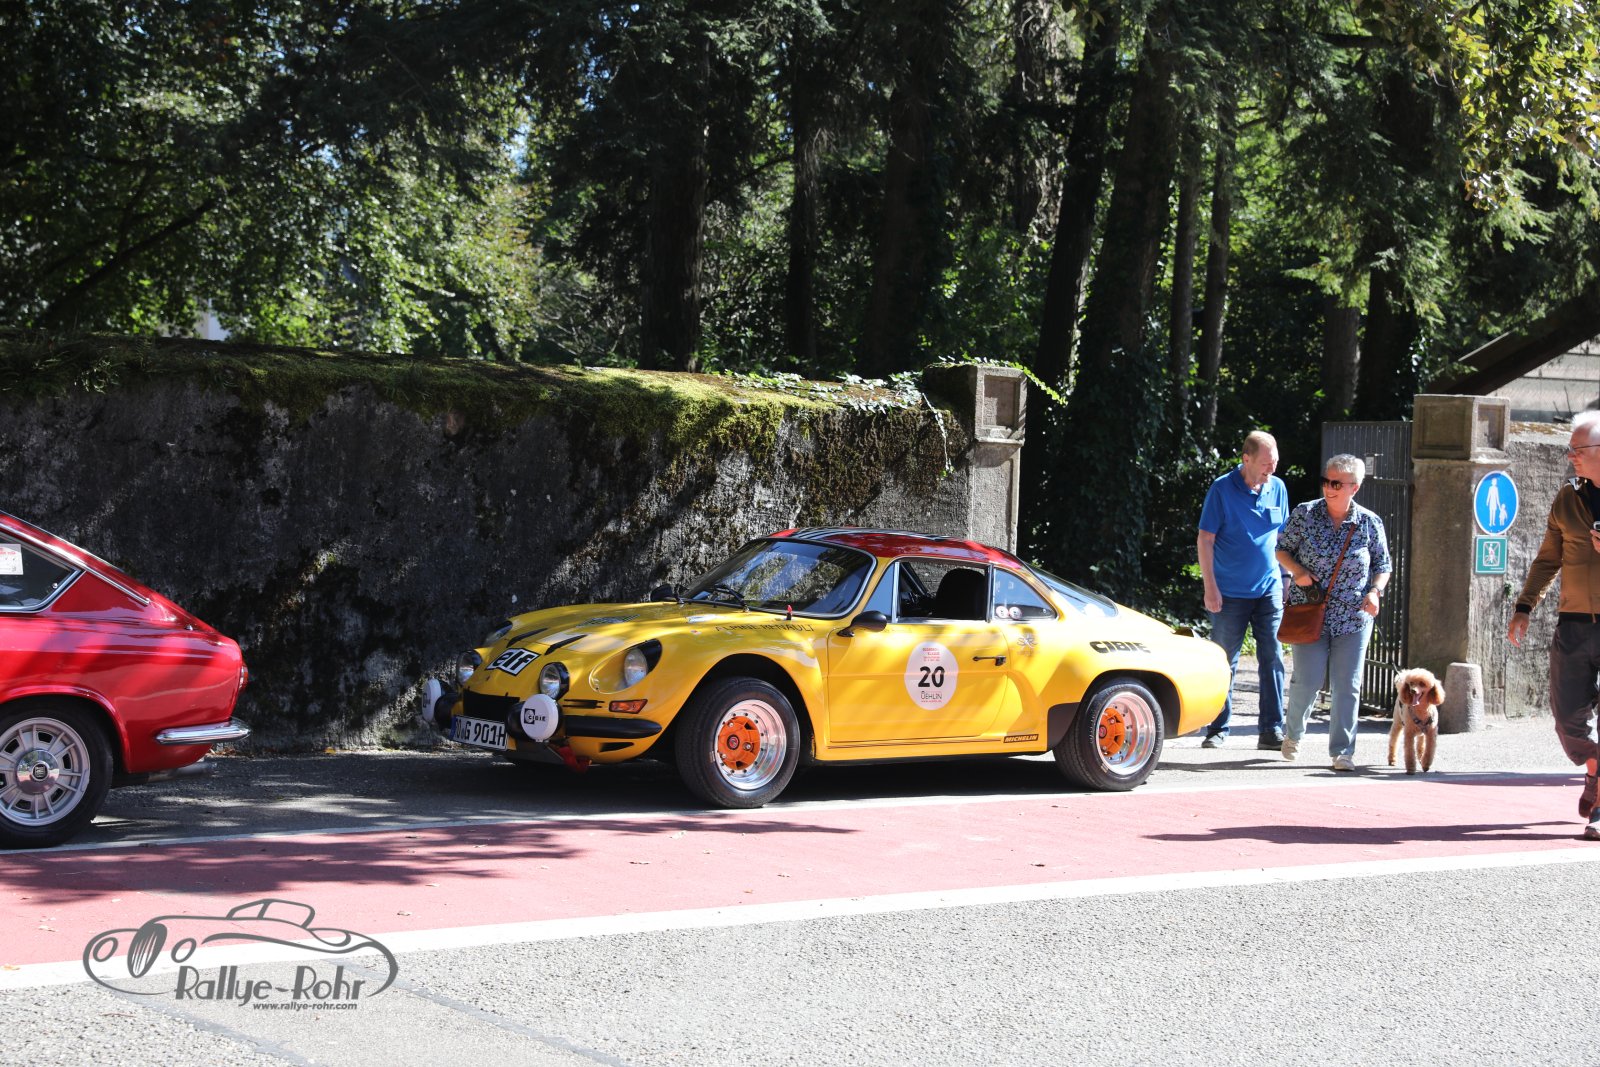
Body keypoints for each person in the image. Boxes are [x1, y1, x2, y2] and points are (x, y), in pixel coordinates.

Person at [1507, 409, 1600, 839]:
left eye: (1577, 449)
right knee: (1567, 719)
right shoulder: (1567, 497)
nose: (1570, 456)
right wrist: (1525, 606)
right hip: (1574, 624)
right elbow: (1548, 558)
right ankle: (1594, 766)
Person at [1276, 454, 1391, 770]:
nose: (1329, 487)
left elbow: (1383, 565)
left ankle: (1342, 751)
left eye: (1337, 483)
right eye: (1326, 481)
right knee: (1308, 680)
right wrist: (1298, 571)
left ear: (1354, 487)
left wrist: (1375, 591)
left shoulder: (1369, 523)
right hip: (1309, 611)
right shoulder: (1305, 514)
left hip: (1353, 617)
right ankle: (1293, 734)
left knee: (1347, 685)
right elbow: (1281, 550)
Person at [1196, 430, 1289, 749]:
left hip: (1269, 589)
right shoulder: (1222, 489)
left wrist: (1286, 579)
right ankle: (1217, 728)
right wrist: (1210, 587)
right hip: (1229, 592)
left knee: (1273, 657)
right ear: (1245, 459)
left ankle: (1272, 729)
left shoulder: (1278, 488)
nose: (1271, 469)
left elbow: (1282, 538)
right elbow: (1205, 539)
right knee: (1225, 662)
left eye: (1275, 462)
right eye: (1265, 463)